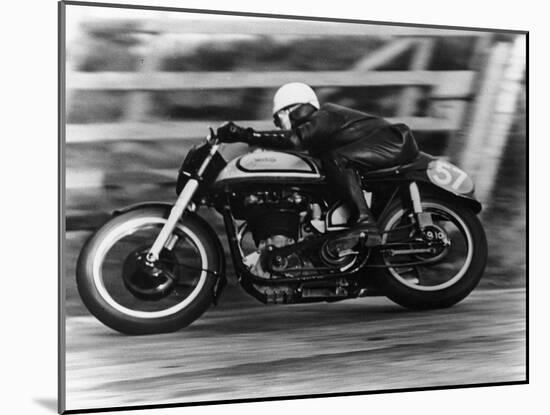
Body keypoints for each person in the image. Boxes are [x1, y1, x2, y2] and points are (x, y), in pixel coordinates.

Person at [216, 82, 419, 247]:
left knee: (337, 159)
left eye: (278, 120)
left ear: (289, 110)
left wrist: (245, 135)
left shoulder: (323, 116)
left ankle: (365, 224)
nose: (278, 126)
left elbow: (295, 139)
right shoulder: (320, 128)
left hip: (393, 141)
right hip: (384, 146)